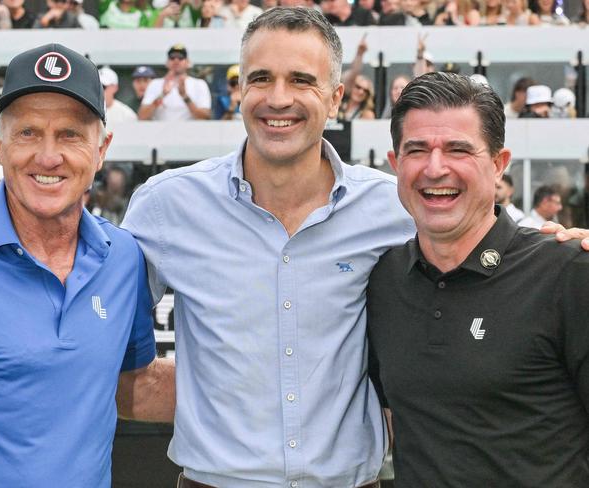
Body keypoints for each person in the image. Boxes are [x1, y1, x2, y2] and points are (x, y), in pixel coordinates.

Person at [122, 7, 415, 488]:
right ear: (240, 91)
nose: (278, 99)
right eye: (261, 78)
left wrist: (569, 244)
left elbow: (487, 258)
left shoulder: (392, 207)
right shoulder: (167, 204)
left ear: (336, 97)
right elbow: (102, 335)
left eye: (301, 80)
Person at [0, 43, 174, 487]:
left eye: (70, 134)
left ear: (102, 149)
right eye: (28, 132)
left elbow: (133, 386)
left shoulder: (124, 258)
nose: (48, 156)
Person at [367, 71, 589, 487]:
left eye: (458, 150)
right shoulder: (381, 282)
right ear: (395, 165)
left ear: (498, 166)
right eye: (417, 150)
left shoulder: (568, 272)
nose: (435, 169)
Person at [138, 44, 212, 121]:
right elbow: (142, 117)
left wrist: (185, 97)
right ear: (167, 62)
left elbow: (205, 117)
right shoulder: (155, 84)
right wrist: (162, 95)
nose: (176, 61)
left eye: (181, 58)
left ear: (188, 62)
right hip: (160, 132)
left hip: (190, 132)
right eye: (172, 58)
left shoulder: (199, 84)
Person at [99, 66, 137, 131]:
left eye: (103, 86)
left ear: (115, 87)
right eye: (96, 86)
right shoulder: (85, 112)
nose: (99, 90)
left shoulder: (127, 115)